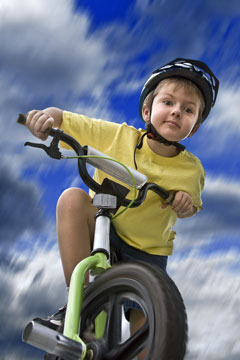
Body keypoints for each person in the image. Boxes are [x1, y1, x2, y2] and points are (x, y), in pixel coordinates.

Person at [25, 58, 219, 357]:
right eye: (168, 102)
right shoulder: (117, 136)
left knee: (153, 330)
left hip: (148, 253)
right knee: (73, 200)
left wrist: (184, 203)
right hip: (105, 228)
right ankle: (80, 305)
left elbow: (192, 205)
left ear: (193, 128)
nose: (177, 111)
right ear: (147, 111)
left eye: (189, 109)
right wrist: (45, 120)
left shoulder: (192, 170)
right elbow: (63, 118)